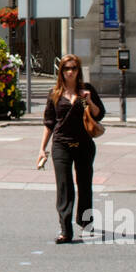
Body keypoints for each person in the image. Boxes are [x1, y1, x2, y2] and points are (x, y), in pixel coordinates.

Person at [37, 54, 105, 244]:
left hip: (84, 144)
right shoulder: (55, 93)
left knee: (84, 184)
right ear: (61, 71)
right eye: (66, 68)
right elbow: (49, 122)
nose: (70, 72)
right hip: (61, 145)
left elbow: (99, 115)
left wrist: (89, 101)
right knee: (64, 187)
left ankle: (85, 220)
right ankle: (65, 229)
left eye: (73, 68)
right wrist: (42, 148)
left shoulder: (86, 91)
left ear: (78, 70)